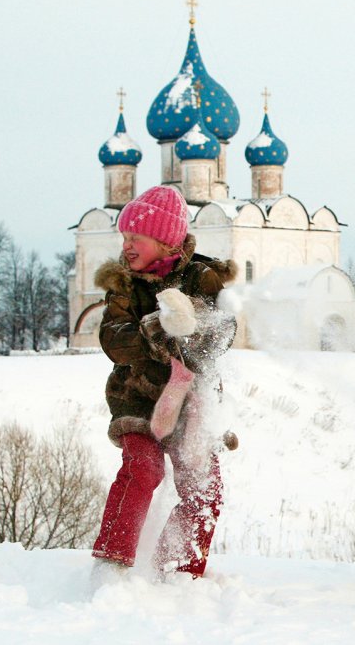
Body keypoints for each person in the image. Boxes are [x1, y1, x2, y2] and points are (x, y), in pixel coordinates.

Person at [90, 185, 237, 582]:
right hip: (136, 396)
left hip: (190, 401)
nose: (127, 246)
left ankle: (178, 572)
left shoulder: (202, 277)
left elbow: (225, 330)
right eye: (123, 237)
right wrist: (157, 329)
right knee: (144, 469)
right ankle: (112, 565)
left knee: (204, 488)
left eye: (135, 237)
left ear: (163, 239)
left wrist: (190, 329)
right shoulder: (122, 283)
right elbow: (114, 340)